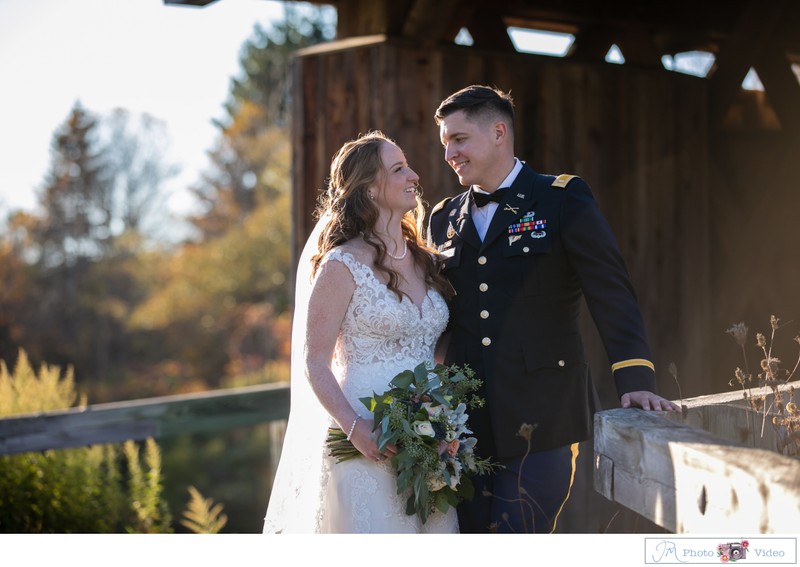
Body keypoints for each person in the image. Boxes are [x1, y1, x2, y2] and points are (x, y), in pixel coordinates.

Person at [427, 85, 681, 534]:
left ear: (499, 132)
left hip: (542, 417)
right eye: (445, 141)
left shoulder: (561, 198)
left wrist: (636, 378)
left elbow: (611, 291)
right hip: (463, 427)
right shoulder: (443, 217)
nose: (449, 152)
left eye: (459, 139)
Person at [263, 130, 458, 533]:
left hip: (429, 440)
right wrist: (356, 428)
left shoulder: (426, 261)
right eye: (399, 168)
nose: (415, 175)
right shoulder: (341, 265)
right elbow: (313, 361)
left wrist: (444, 423)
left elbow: (435, 351)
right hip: (365, 441)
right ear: (370, 189)